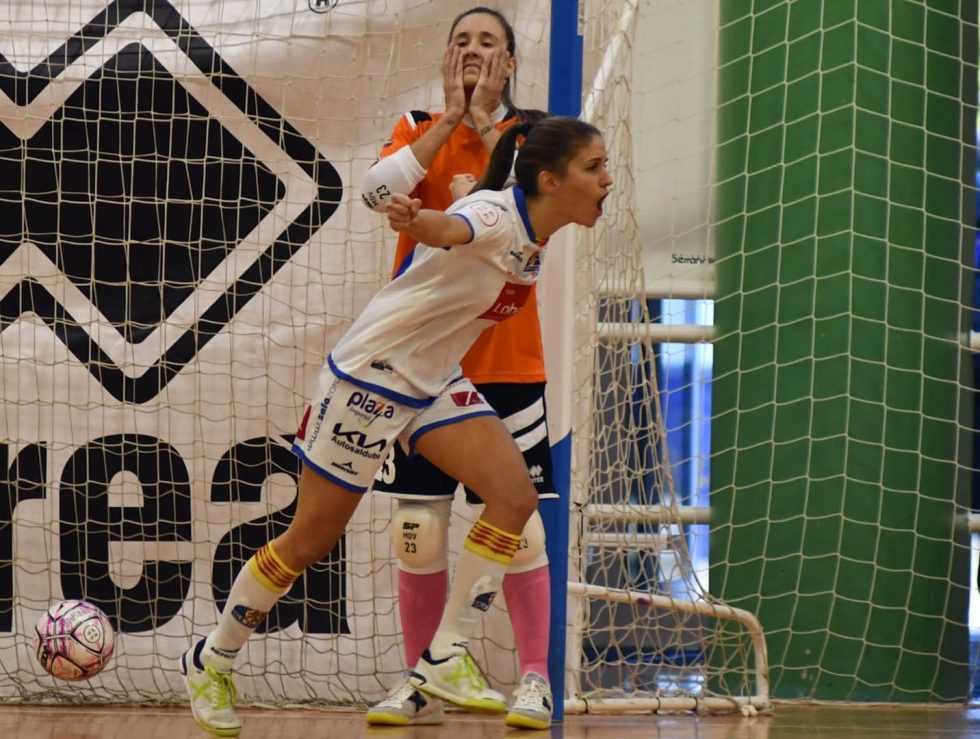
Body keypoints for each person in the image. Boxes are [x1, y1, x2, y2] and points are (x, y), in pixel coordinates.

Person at [178, 115, 612, 737]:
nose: (607, 179)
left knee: (514, 498)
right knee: (308, 543)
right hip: (369, 380)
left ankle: (443, 653)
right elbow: (452, 225)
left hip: (432, 380)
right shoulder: (495, 216)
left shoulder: (533, 235)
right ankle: (212, 658)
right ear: (550, 178)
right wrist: (417, 220)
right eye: (594, 167)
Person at [357, 7, 556, 730]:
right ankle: (422, 681)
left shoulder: (535, 136)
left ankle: (534, 680)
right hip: (421, 362)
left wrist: (486, 126)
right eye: (462, 41)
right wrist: (448, 120)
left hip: (505, 354)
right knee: (418, 527)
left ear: (510, 62)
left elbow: (506, 210)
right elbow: (376, 192)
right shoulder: (417, 126)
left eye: (489, 43)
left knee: (522, 528)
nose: (473, 51)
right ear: (446, 57)